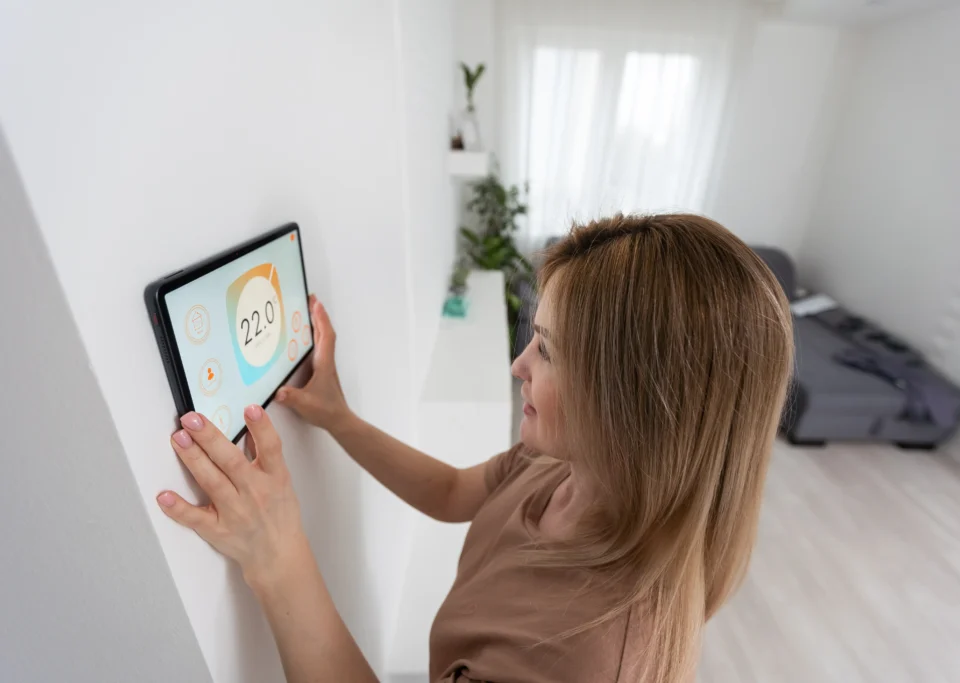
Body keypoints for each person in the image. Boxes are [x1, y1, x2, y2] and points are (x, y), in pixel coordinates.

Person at [156, 213, 794, 683]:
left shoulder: (576, 654)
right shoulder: (565, 466)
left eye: (545, 349)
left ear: (632, 402)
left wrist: (277, 555)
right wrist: (339, 418)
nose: (518, 366)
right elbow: (453, 491)